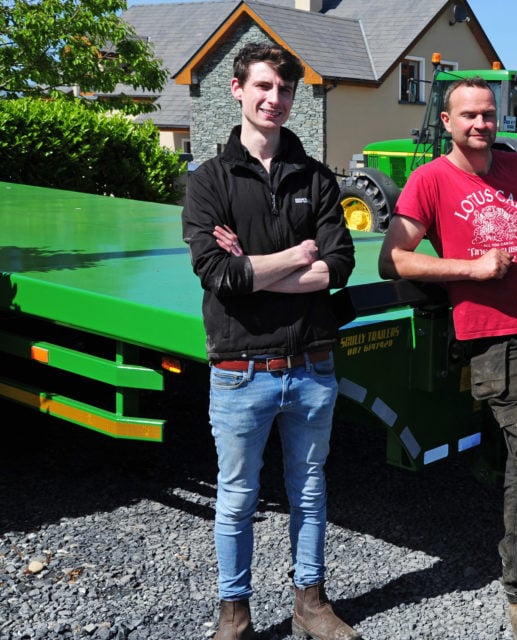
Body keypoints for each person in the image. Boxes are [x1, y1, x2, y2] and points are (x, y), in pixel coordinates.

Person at [378, 76, 517, 640]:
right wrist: (470, 270)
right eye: (468, 115)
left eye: (488, 115)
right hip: (497, 343)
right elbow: (392, 259)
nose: (480, 124)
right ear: (446, 122)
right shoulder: (429, 180)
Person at [181, 42, 358, 640]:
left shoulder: (317, 178)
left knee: (310, 492)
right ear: (237, 89)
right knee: (235, 499)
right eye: (262, 87)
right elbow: (220, 276)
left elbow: (339, 267)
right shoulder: (209, 182)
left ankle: (310, 602)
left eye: (284, 90)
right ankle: (234, 612)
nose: (273, 99)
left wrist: (258, 269)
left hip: (311, 365)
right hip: (239, 370)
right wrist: (294, 255)